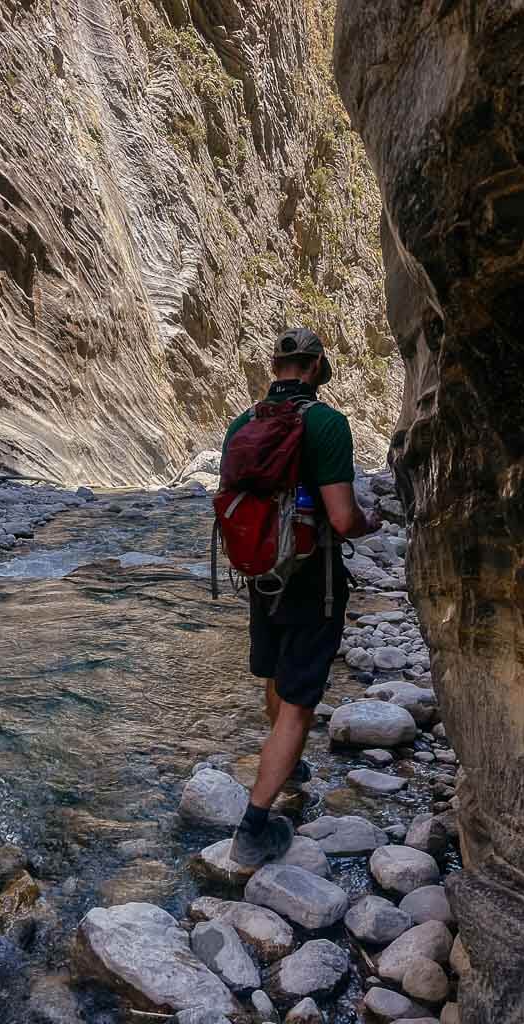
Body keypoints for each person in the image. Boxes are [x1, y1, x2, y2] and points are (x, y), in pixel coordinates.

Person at [225, 327, 381, 866]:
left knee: (275, 673)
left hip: (260, 572)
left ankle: (287, 767)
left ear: (275, 367)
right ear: (315, 368)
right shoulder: (328, 424)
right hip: (314, 579)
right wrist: (369, 522)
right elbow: (341, 517)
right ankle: (253, 828)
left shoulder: (242, 424)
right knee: (299, 702)